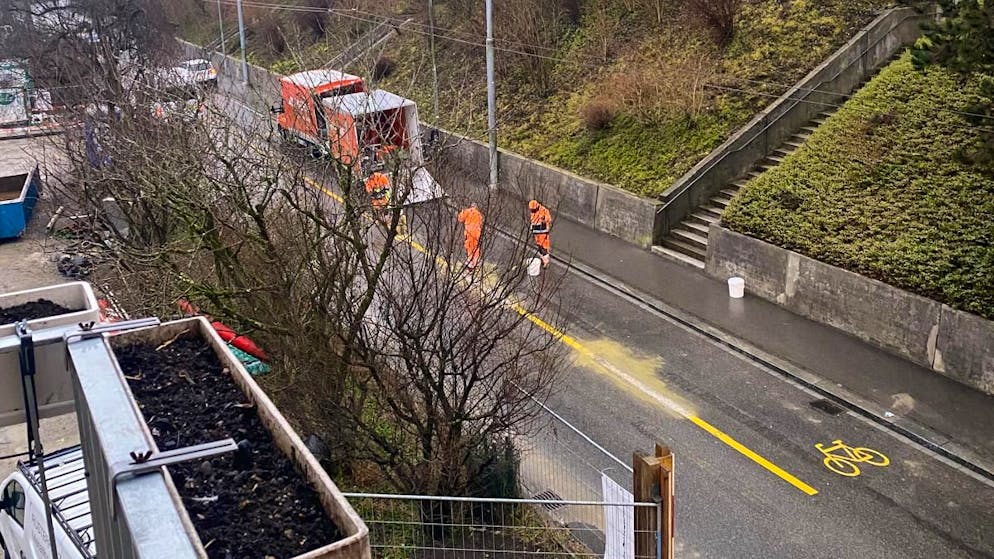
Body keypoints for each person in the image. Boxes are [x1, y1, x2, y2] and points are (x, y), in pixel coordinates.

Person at [457, 203, 484, 269]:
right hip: (477, 233)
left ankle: (470, 261)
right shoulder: (479, 215)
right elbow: (481, 223)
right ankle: (475, 261)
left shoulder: (468, 211)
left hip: (469, 232)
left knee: (469, 246)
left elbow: (460, 219)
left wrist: (462, 211)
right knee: (476, 247)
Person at [528, 199, 552, 268]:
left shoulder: (544, 211)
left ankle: (546, 262)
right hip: (536, 233)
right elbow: (533, 221)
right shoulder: (533, 212)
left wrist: (544, 221)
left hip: (543, 233)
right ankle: (543, 259)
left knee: (544, 247)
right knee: (539, 247)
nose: (532, 211)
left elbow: (549, 219)